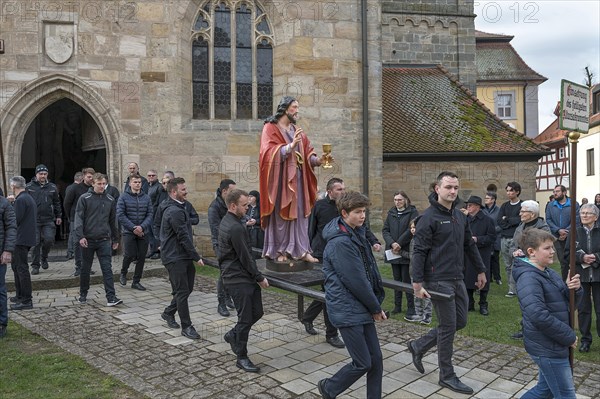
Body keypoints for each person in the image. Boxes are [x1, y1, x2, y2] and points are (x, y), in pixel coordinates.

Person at [407, 171, 486, 395]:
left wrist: (480, 269)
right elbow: (419, 251)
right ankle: (447, 375)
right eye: (448, 187)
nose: (452, 191)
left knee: (459, 322)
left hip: (457, 277)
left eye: (455, 188)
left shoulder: (460, 217)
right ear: (437, 189)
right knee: (449, 326)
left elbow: (469, 245)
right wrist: (417, 282)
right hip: (437, 280)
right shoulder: (428, 218)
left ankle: (418, 345)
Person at [317, 191, 386, 399]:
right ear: (344, 213)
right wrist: (375, 307)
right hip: (346, 307)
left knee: (376, 360)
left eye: (364, 211)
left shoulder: (356, 232)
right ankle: (329, 387)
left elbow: (367, 270)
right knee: (363, 362)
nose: (363, 216)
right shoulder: (340, 242)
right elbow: (356, 280)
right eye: (358, 212)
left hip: (360, 305)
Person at [513, 228, 581, 399]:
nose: (553, 252)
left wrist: (574, 290)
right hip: (547, 346)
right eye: (547, 248)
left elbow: (566, 305)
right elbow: (538, 315)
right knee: (566, 395)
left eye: (553, 247)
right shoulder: (529, 278)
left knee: (545, 390)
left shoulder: (547, 272)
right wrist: (568, 336)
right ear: (531, 252)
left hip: (553, 343)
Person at [259, 96, 323, 263]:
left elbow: (308, 152)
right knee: (281, 216)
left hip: (299, 181)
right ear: (285, 109)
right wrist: (289, 147)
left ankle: (302, 250)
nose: (297, 110)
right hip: (280, 182)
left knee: (300, 215)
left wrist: (318, 161)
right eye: (294, 107)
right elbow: (267, 153)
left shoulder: (297, 130)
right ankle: (280, 250)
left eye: (297, 107)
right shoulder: (270, 128)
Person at [219, 189, 269, 372]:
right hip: (236, 278)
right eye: (244, 205)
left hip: (241, 276)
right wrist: (259, 277)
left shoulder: (234, 221)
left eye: (248, 204)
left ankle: (234, 334)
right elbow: (245, 256)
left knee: (257, 312)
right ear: (233, 206)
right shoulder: (234, 227)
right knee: (246, 317)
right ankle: (241, 356)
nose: (247, 208)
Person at [159, 177, 203, 340]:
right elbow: (183, 236)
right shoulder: (173, 210)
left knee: (187, 289)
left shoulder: (180, 207)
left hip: (183, 255)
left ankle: (168, 312)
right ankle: (187, 326)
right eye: (183, 189)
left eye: (185, 188)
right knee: (182, 291)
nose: (186, 191)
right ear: (173, 192)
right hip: (174, 257)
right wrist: (196, 256)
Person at [74, 173, 122, 306]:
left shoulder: (110, 199)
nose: (102, 186)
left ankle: (111, 297)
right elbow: (79, 219)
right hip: (87, 240)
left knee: (107, 268)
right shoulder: (84, 198)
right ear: (93, 183)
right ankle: (83, 294)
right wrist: (81, 236)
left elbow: (113, 221)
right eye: (99, 183)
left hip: (104, 239)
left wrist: (115, 238)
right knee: (85, 268)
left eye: (103, 184)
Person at [507, 200, 551, 340]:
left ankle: (538, 330)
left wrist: (525, 253)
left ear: (532, 214)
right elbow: (513, 245)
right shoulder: (520, 226)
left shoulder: (543, 228)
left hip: (536, 270)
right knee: (524, 299)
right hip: (521, 268)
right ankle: (525, 328)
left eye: (523, 211)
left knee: (537, 301)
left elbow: (546, 248)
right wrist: (514, 252)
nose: (520, 213)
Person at [565, 204, 600, 353]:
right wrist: (581, 257)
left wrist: (597, 257)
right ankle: (586, 340)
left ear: (596, 217)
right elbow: (567, 253)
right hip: (582, 277)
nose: (584, 215)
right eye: (582, 213)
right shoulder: (574, 232)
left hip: (598, 276)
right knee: (584, 310)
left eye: (588, 213)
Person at [382, 190, 419, 320]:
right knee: (396, 279)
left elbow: (411, 229)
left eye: (400, 200)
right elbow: (385, 230)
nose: (397, 202)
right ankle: (397, 306)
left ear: (406, 200)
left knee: (406, 280)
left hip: (405, 250)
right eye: (395, 200)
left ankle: (410, 307)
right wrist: (392, 243)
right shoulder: (391, 212)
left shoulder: (412, 212)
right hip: (393, 251)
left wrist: (399, 243)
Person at [117, 174, 153, 291]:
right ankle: (123, 273)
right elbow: (121, 215)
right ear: (130, 183)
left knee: (141, 256)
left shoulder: (146, 198)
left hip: (143, 231)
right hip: (129, 231)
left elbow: (150, 214)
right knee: (129, 254)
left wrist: (141, 227)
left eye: (139, 182)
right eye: (135, 182)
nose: (137, 184)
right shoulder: (123, 197)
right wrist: (133, 228)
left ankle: (136, 281)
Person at [26, 164, 62, 274]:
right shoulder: (29, 187)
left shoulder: (52, 187)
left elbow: (56, 202)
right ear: (36, 174)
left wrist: (59, 215)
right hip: (34, 219)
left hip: (48, 219)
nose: (43, 176)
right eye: (41, 174)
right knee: (35, 243)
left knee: (49, 239)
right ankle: (35, 265)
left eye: (45, 174)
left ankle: (44, 257)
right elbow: (25, 202)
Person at [208, 179, 237, 317]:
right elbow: (216, 229)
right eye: (232, 191)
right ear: (224, 191)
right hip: (220, 244)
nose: (234, 194)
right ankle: (221, 302)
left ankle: (227, 297)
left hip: (233, 243)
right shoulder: (214, 207)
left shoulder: (231, 204)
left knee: (231, 272)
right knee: (223, 272)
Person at [8, 176, 37, 310]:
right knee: (16, 267)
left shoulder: (21, 200)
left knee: (22, 269)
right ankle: (20, 295)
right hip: (24, 237)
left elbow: (15, 219)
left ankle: (26, 300)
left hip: (20, 239)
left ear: (13, 187)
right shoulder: (27, 198)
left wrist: (10, 205)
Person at [464, 196, 496, 316]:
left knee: (482, 278)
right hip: (467, 253)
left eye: (470, 205)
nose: (468, 207)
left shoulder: (488, 220)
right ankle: (469, 302)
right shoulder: (465, 219)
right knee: (467, 277)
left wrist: (477, 239)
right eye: (467, 205)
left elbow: (492, 237)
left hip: (482, 253)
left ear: (477, 206)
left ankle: (483, 303)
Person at [63, 167, 95, 276]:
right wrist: (71, 217)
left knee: (88, 243)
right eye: (89, 176)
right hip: (76, 219)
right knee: (77, 242)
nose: (91, 179)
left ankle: (87, 266)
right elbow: (67, 203)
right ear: (83, 176)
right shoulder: (75, 189)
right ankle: (78, 266)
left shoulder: (93, 189)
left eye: (92, 177)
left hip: (90, 220)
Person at [546, 184, 580, 281]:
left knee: (573, 260)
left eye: (557, 191)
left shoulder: (574, 204)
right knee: (563, 261)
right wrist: (558, 230)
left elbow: (576, 220)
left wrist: (566, 232)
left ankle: (575, 280)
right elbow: (548, 220)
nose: (555, 193)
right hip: (557, 237)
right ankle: (565, 282)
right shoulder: (550, 205)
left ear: (564, 192)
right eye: (554, 192)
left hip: (571, 236)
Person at [497, 181, 523, 298]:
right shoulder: (504, 206)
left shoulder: (522, 205)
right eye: (507, 190)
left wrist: (507, 219)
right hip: (504, 237)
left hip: (515, 237)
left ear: (517, 192)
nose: (509, 193)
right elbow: (499, 221)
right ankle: (511, 287)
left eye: (511, 190)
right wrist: (508, 221)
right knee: (507, 265)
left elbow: (519, 220)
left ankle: (515, 288)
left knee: (515, 264)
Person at [407, 217, 432, 325]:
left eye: (415, 227)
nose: (413, 230)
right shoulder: (412, 240)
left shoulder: (424, 239)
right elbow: (412, 256)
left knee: (426, 294)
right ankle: (418, 313)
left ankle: (427, 315)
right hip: (413, 271)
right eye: (411, 228)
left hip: (423, 272)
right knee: (416, 294)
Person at [0, 192, 16, 337]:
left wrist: (7, 250)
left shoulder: (4, 204)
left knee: (0, 289)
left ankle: (2, 323)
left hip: (0, 253)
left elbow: (11, 227)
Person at [483, 191, 502, 284]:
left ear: (493, 200)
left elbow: (501, 225)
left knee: (495, 258)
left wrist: (493, 230)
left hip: (496, 237)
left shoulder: (499, 211)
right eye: (485, 198)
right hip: (486, 236)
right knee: (486, 258)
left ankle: (497, 277)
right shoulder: (483, 210)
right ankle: (488, 277)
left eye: (487, 198)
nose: (485, 200)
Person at [65, 171, 83, 259]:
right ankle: (71, 252)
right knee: (74, 235)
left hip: (72, 214)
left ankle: (70, 252)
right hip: (75, 214)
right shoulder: (74, 188)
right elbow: (67, 203)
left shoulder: (69, 187)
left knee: (72, 234)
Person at [146, 169, 161, 259]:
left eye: (153, 175)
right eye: (149, 175)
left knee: (156, 234)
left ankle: (158, 252)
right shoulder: (148, 186)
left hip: (155, 213)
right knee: (150, 233)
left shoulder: (158, 187)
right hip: (149, 214)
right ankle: (152, 250)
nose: (151, 177)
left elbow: (158, 202)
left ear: (156, 176)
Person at [244, 190, 264, 256]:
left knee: (258, 249)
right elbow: (241, 218)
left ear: (256, 198)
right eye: (248, 196)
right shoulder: (246, 208)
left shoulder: (261, 208)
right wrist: (246, 223)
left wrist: (256, 221)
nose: (249, 198)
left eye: (251, 196)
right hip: (248, 232)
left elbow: (264, 219)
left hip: (258, 232)